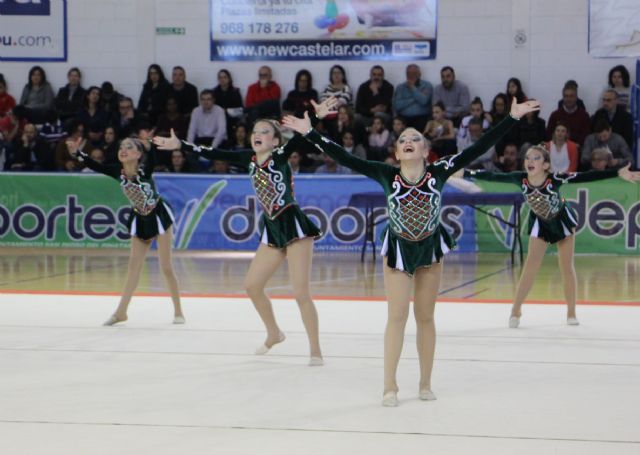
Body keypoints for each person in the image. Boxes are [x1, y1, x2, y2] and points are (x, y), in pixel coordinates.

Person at [283, 97, 541, 406]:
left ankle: (424, 382)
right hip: (399, 249)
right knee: (397, 316)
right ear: (396, 152)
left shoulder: (440, 171)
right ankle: (389, 385)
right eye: (403, 139)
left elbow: (478, 147)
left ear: (425, 150)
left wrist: (511, 117)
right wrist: (310, 132)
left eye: (415, 139)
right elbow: (345, 157)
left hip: (429, 248)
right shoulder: (386, 174)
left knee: (425, 317)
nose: (408, 141)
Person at [153, 97, 339, 366]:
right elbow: (213, 153)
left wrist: (317, 116)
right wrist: (180, 144)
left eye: (265, 131)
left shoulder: (280, 155)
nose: (257, 135)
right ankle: (274, 333)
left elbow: (300, 139)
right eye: (255, 131)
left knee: (301, 293)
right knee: (252, 286)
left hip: (293, 225)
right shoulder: (247, 159)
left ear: (276, 140)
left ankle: (315, 350)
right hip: (272, 228)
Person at [464, 146, 639, 328]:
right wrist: (465, 173)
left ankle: (571, 312)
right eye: (528, 158)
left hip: (562, 220)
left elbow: (586, 176)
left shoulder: (555, 179)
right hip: (540, 222)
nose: (530, 161)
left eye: (536, 158)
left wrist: (616, 173)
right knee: (530, 267)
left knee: (566, 267)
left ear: (546, 165)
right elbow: (491, 176)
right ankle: (516, 309)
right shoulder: (520, 179)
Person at [67, 135, 184, 326]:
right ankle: (121, 312)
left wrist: (149, 145)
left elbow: (153, 158)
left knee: (166, 267)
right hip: (140, 219)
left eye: (129, 147)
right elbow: (95, 165)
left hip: (159, 217)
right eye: (122, 147)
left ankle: (178, 311)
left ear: (138, 154)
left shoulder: (145, 170)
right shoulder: (117, 171)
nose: (123, 150)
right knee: (133, 268)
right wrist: (77, 153)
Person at [392, 64, 432, 132]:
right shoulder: (400, 87)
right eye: (408, 73)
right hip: (404, 117)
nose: (410, 76)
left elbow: (424, 101)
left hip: (421, 117)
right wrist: (416, 98)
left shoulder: (427, 85)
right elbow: (398, 106)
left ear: (419, 74)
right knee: (399, 124)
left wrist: (412, 88)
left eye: (413, 73)